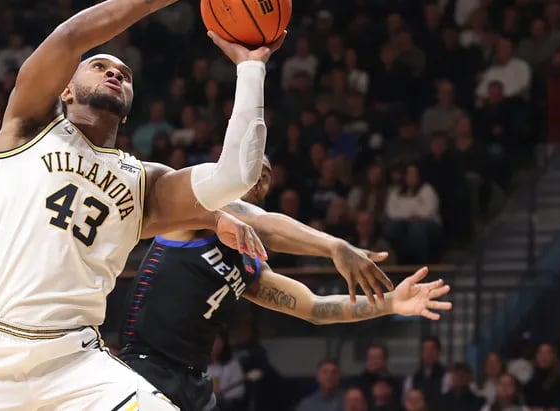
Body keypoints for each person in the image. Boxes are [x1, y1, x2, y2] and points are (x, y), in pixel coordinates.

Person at [0, 0, 279, 410]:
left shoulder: (144, 183)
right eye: (99, 66)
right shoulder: (27, 127)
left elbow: (235, 176)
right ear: (65, 90)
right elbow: (71, 37)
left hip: (75, 363)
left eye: (125, 73)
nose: (115, 71)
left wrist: (251, 68)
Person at [118, 157, 452, 411]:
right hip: (146, 368)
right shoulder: (195, 213)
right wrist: (334, 246)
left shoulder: (249, 262)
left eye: (265, 176)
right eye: (251, 166)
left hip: (194, 379)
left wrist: (390, 303)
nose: (258, 179)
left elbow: (315, 309)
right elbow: (265, 224)